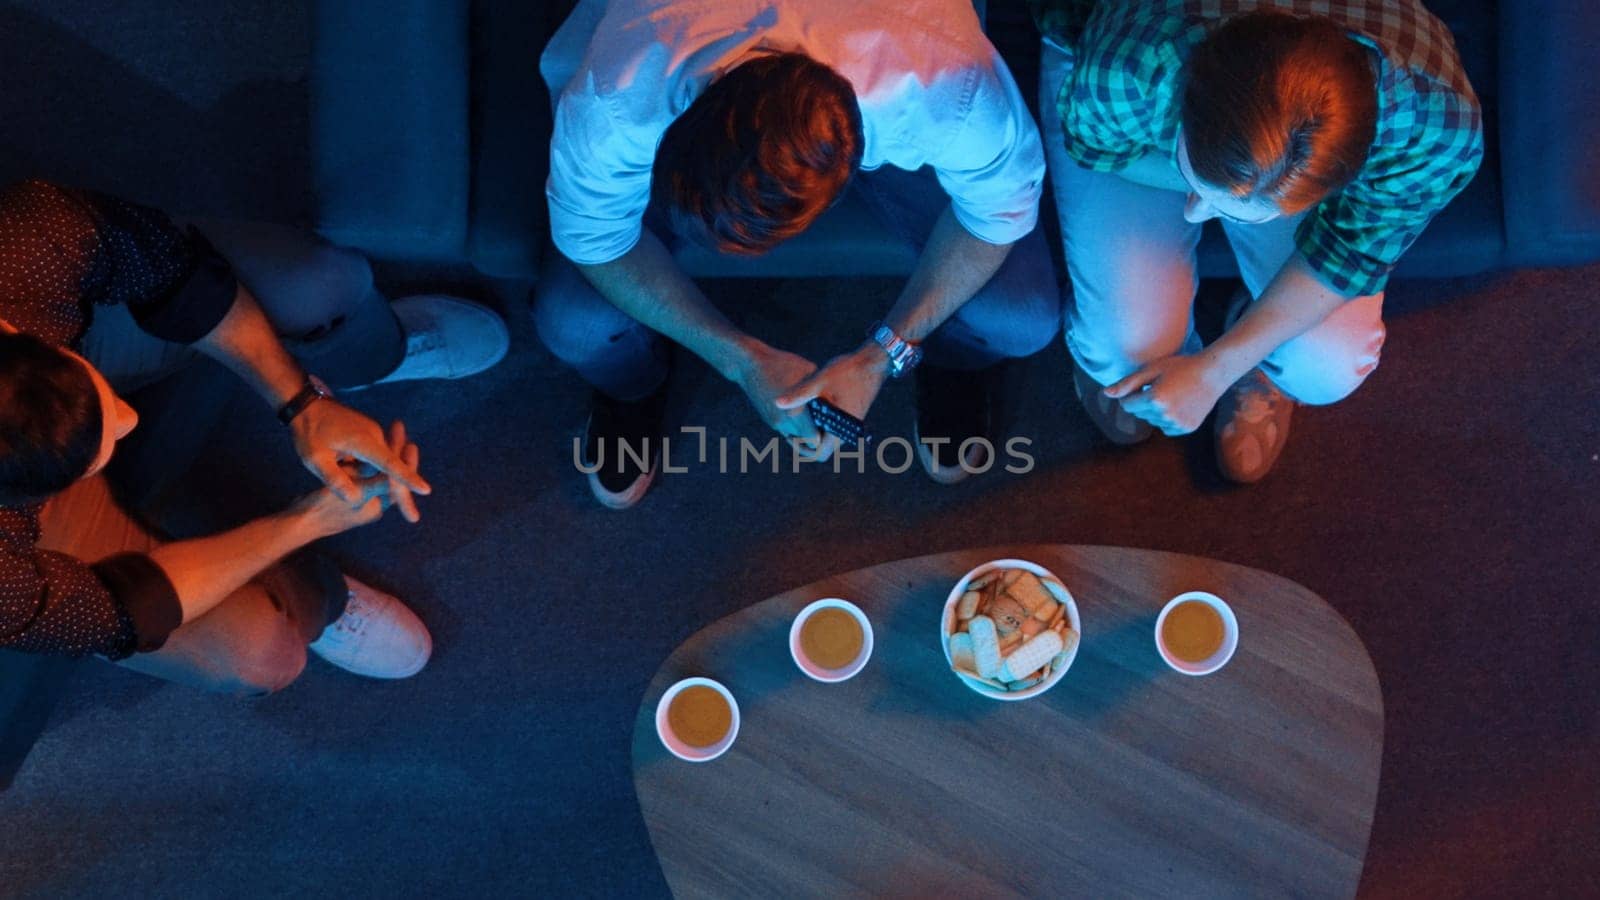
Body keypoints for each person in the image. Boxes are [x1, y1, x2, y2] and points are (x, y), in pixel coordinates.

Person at [536, 0, 1060, 508]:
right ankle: (634, 385)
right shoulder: (620, 93)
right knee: (572, 321)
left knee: (1021, 316)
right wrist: (741, 359)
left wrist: (884, 354)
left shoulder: (944, 82)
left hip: (894, 78)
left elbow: (997, 213)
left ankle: (949, 356)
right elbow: (595, 239)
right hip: (668, 71)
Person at [0, 179, 509, 694]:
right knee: (264, 656)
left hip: (71, 325)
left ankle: (369, 355)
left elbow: (175, 274)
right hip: (27, 537)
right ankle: (313, 596)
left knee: (316, 284)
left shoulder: (23, 245)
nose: (129, 419)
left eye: (107, 407)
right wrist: (307, 521)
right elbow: (121, 612)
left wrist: (301, 404)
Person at [1032, 0, 1483, 481]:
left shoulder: (1433, 125)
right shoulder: (1127, 71)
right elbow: (1099, 149)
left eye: (1228, 209)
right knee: (1121, 351)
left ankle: (1254, 342)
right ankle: (1119, 339)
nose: (1193, 213)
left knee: (1328, 367)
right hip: (1129, 71)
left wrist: (1218, 368)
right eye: (1199, 190)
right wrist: (1217, 192)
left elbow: (1352, 249)